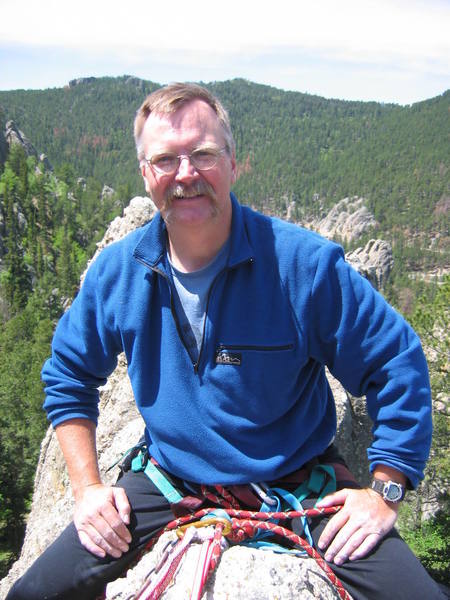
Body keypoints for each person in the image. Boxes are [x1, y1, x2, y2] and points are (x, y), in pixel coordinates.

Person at [6, 83, 445, 600]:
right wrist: (87, 490)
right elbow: (69, 374)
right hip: (170, 483)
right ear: (147, 174)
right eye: (165, 159)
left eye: (204, 154)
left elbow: (396, 360)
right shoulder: (119, 274)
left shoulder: (301, 266)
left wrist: (385, 493)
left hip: (300, 484)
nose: (186, 174)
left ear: (235, 165)